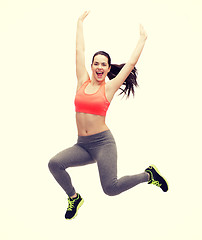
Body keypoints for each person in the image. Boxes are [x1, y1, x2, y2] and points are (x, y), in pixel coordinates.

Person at [48, 11, 168, 220]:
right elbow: (79, 50)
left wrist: (142, 39)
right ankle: (74, 198)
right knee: (54, 163)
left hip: (103, 144)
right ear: (92, 66)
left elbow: (130, 64)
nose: (100, 67)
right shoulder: (82, 81)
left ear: (108, 67)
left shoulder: (109, 87)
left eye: (104, 64)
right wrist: (79, 23)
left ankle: (149, 175)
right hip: (82, 145)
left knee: (110, 188)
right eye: (96, 63)